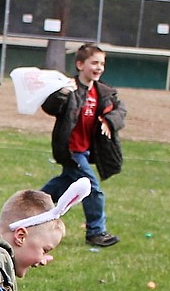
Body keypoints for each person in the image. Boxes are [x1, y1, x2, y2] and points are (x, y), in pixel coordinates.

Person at [40, 42, 126, 248]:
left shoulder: (103, 92)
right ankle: (96, 232)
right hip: (71, 151)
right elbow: (50, 106)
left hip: (86, 151)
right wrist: (61, 93)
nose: (99, 68)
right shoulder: (69, 89)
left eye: (102, 64)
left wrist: (108, 120)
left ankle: (32, 208)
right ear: (80, 65)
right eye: (94, 63)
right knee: (92, 188)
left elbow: (120, 110)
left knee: (60, 185)